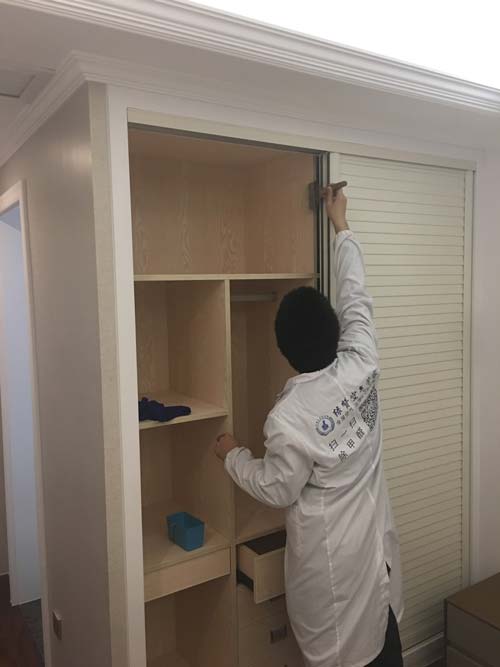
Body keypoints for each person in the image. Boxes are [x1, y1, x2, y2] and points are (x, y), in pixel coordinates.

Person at [215, 186, 404, 667]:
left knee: (346, 654)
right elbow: (356, 293)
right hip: (370, 549)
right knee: (383, 641)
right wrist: (340, 224)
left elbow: (279, 488)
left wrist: (232, 454)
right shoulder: (361, 360)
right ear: (336, 330)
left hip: (332, 567)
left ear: (284, 351)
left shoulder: (289, 417)